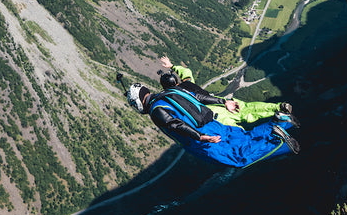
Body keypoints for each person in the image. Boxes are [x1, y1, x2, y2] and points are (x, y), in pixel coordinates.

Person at [125, 74, 299, 168]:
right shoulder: (172, 91)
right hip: (214, 123)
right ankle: (278, 121)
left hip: (203, 135)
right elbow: (199, 97)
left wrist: (200, 137)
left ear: (137, 102)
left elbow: (175, 124)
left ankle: (276, 138)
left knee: (238, 159)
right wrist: (224, 102)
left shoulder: (156, 110)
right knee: (244, 139)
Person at [158, 55, 298, 129]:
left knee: (238, 134)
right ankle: (278, 108)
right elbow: (186, 71)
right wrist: (171, 66)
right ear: (176, 81)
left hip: (214, 116)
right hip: (221, 103)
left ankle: (272, 131)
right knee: (249, 109)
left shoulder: (173, 99)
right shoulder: (187, 83)